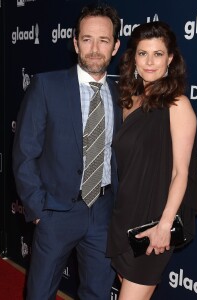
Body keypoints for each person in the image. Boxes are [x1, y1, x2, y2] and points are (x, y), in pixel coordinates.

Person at [12, 4, 121, 300]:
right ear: (75, 43)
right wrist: (38, 210)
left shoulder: (122, 95)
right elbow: (25, 153)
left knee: (97, 294)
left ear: (115, 46)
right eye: (87, 39)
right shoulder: (47, 86)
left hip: (103, 214)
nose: (95, 48)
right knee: (39, 293)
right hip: (55, 213)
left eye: (104, 40)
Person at [106, 21, 197, 299]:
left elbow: (181, 173)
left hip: (152, 225)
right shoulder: (127, 100)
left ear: (170, 58)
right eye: (143, 53)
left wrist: (163, 226)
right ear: (133, 57)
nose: (149, 62)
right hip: (124, 218)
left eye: (158, 54)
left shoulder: (177, 104)